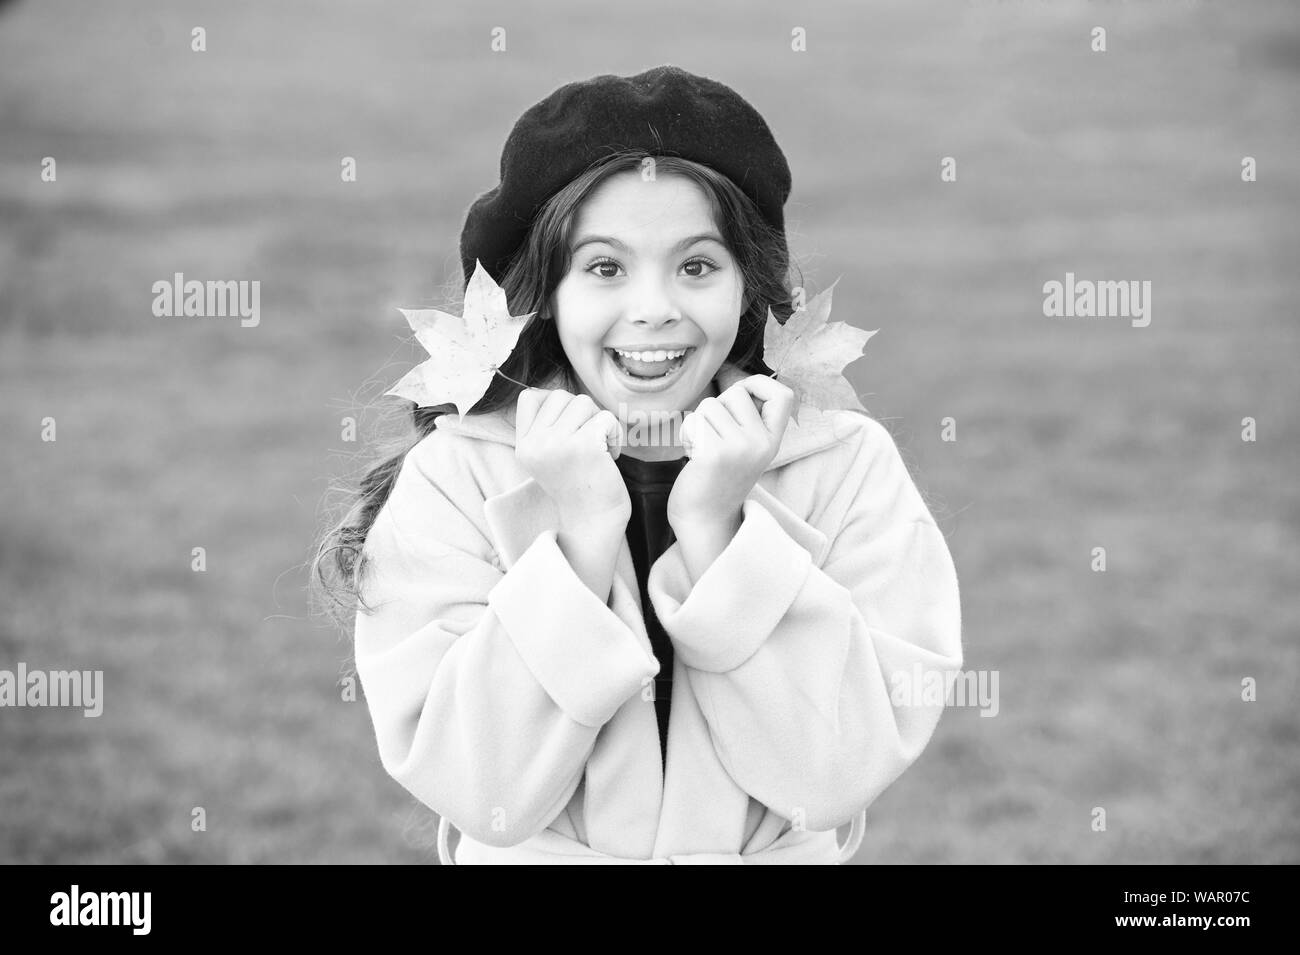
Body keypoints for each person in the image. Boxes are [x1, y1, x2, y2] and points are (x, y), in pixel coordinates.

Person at [316, 65, 963, 864]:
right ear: (547, 291)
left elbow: (829, 776)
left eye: (696, 265)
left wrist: (717, 532)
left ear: (746, 286)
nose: (654, 307)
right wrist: (580, 543)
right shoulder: (461, 475)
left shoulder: (844, 464)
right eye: (605, 267)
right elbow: (486, 792)